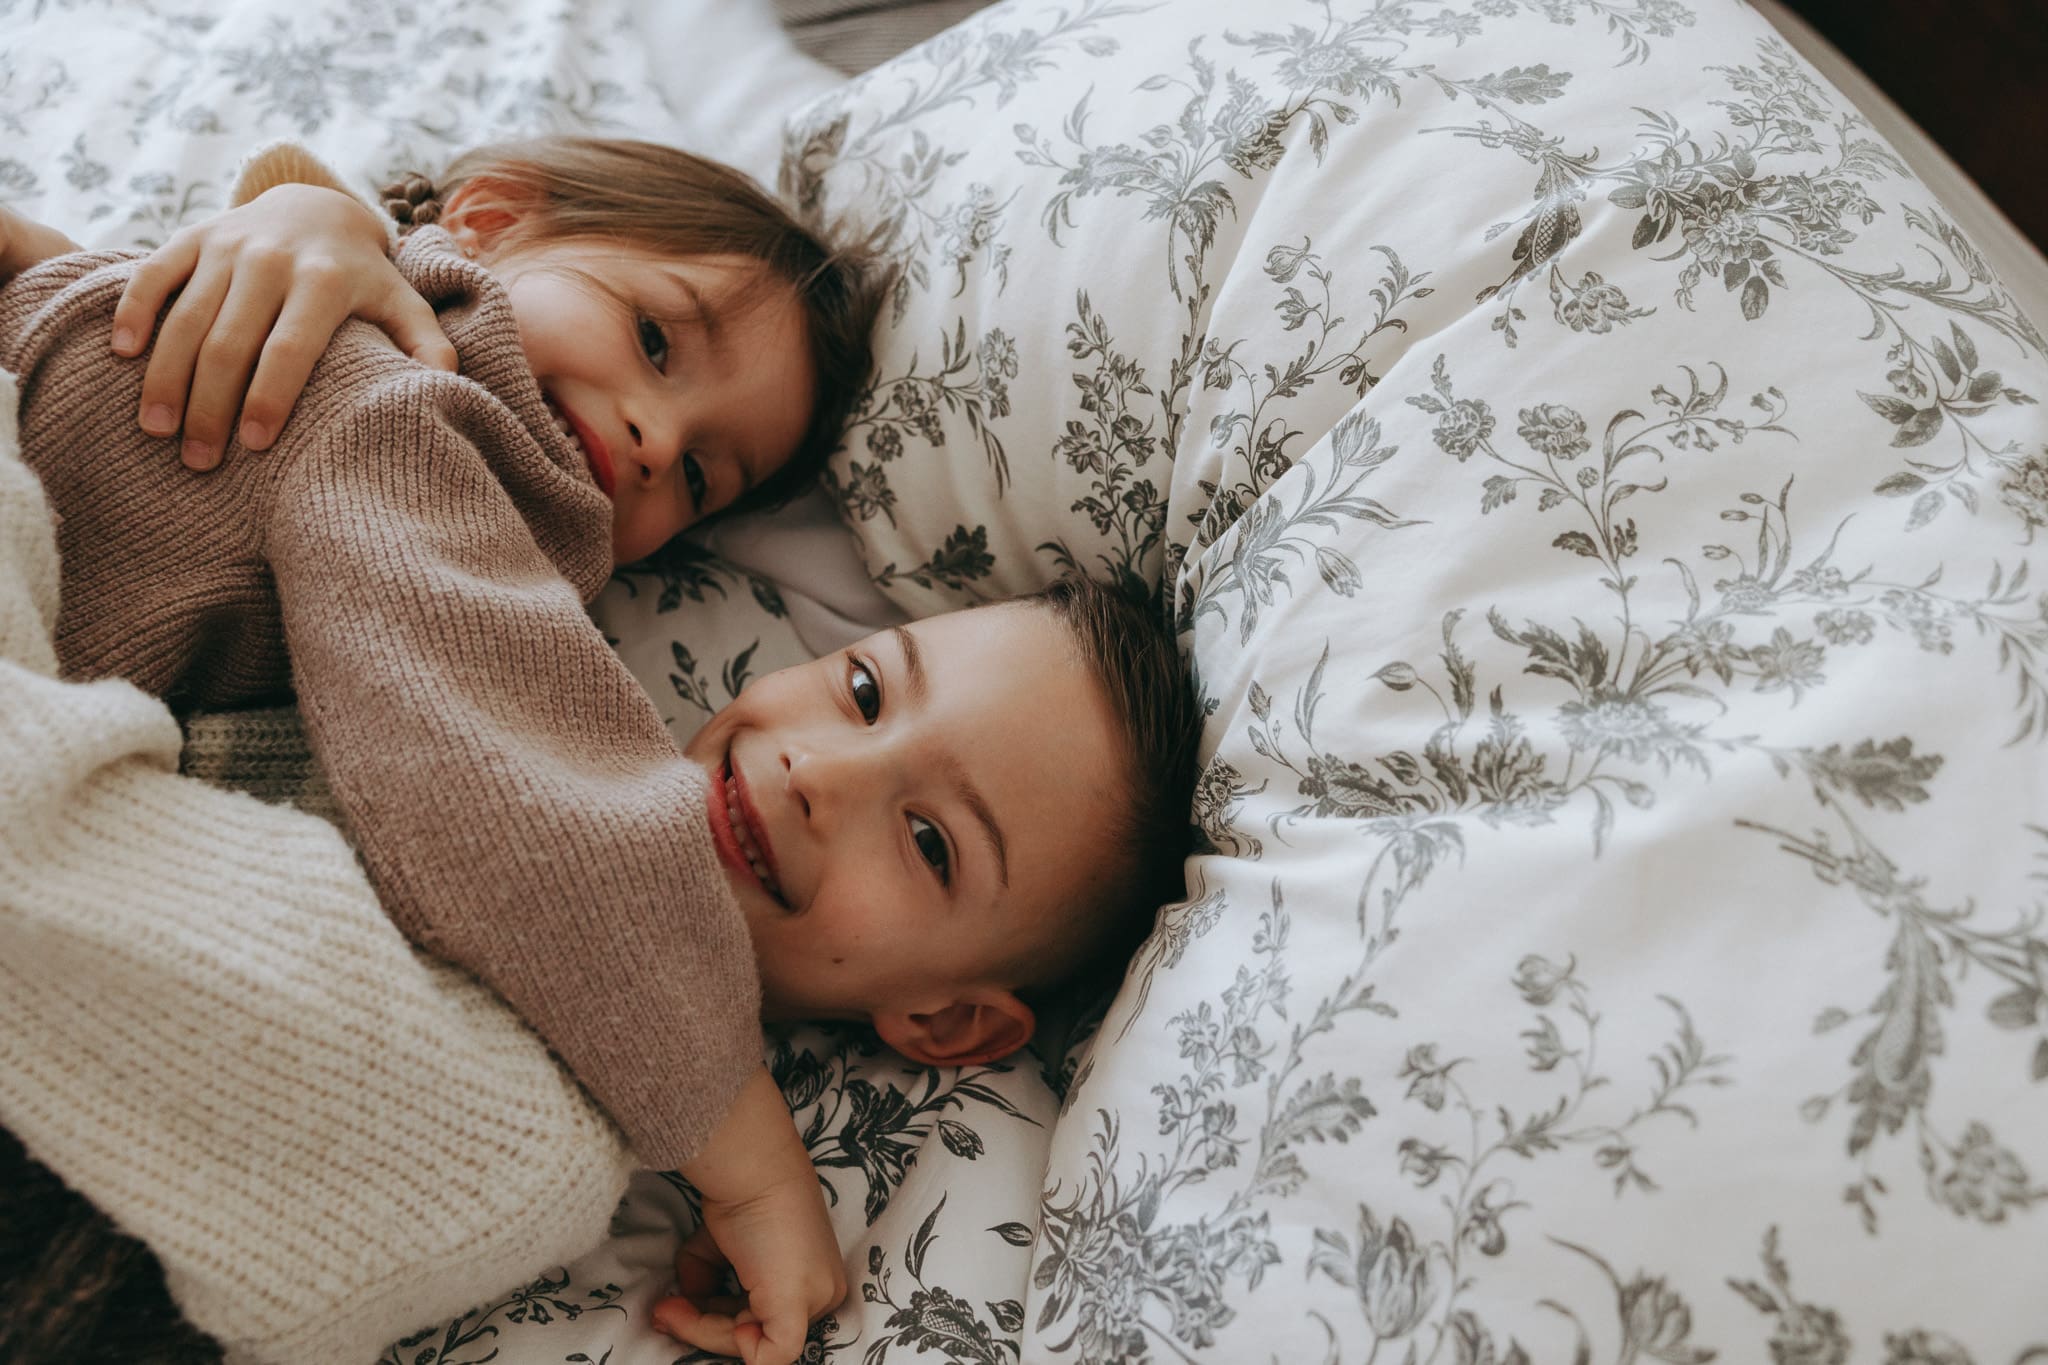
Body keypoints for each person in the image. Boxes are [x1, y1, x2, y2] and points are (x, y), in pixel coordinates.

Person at [0, 156, 1204, 1363]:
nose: (648, 433)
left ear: (944, 1022)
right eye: (861, 688)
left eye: (696, 476)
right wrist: (746, 1164)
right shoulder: (398, 406)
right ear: (492, 218)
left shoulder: (464, 552)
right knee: (541, 1159)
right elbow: (514, 787)